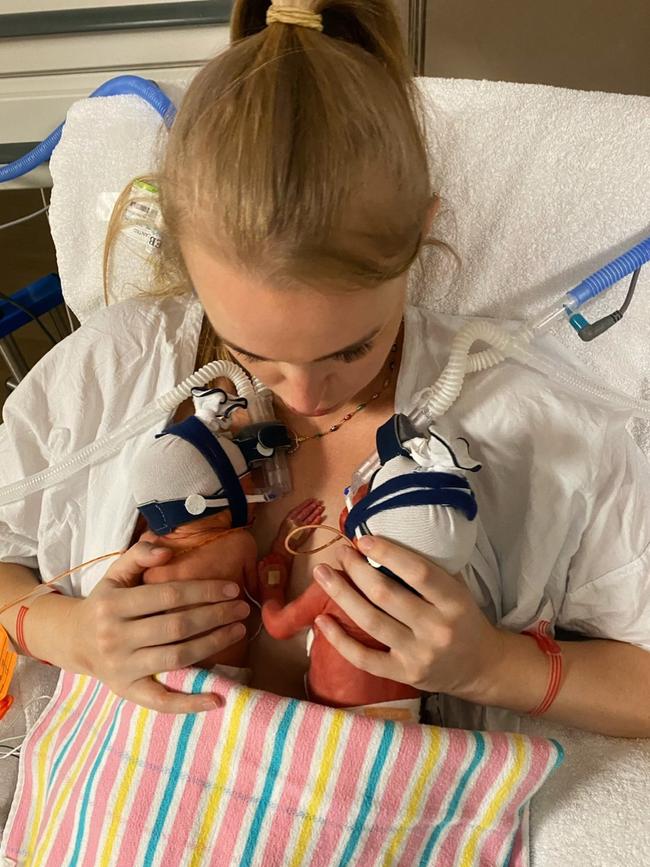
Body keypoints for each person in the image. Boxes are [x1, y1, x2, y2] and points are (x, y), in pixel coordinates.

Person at [1, 0, 649, 736]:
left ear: (419, 239)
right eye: (252, 351)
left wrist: (492, 666)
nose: (304, 394)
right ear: (181, 256)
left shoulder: (521, 418)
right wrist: (67, 632)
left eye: (352, 348)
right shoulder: (115, 368)